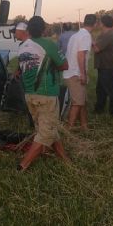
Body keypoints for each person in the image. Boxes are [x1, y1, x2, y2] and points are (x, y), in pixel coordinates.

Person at [17, 16, 69, 171]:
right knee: (45, 133)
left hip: (29, 94)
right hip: (46, 93)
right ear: (44, 29)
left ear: (28, 30)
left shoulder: (23, 46)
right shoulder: (48, 44)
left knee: (47, 128)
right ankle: (23, 165)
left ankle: (64, 158)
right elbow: (64, 65)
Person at [62, 14, 95, 129]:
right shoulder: (86, 36)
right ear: (94, 24)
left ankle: (84, 126)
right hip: (75, 73)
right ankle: (68, 130)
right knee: (77, 103)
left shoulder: (76, 35)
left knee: (82, 101)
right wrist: (83, 74)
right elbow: (80, 55)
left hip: (70, 72)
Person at [93, 14, 113, 116]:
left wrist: (90, 41)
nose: (98, 23)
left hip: (108, 67)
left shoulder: (109, 35)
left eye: (100, 22)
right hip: (103, 66)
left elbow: (96, 49)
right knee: (100, 89)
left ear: (103, 23)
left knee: (110, 89)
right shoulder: (103, 34)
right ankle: (99, 109)